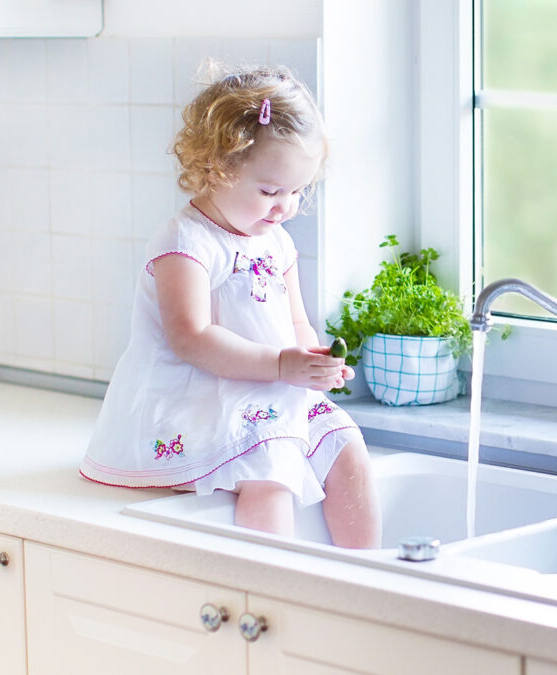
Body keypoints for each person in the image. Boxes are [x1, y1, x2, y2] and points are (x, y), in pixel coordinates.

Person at [80, 64, 381, 548]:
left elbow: (296, 321)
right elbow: (191, 338)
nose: (285, 206)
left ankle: (367, 579)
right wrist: (283, 365)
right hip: (198, 398)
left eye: (298, 191)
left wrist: (314, 361)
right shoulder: (186, 241)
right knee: (269, 470)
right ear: (216, 168)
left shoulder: (276, 241)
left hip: (268, 388)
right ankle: (273, 590)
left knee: (347, 446)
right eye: (269, 191)